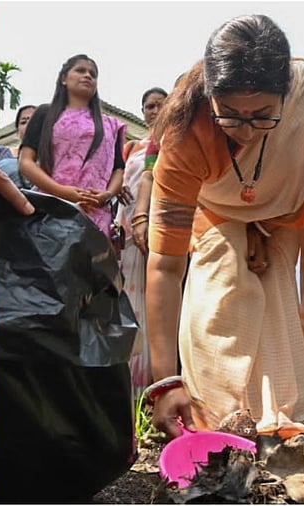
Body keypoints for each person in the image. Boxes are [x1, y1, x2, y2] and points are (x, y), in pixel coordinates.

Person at [144, 14, 304, 440]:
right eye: (229, 115)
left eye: (263, 115)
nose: (246, 130)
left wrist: (267, 223)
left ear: (287, 97)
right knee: (223, 277)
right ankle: (216, 420)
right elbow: (164, 265)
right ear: (209, 96)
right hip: (213, 211)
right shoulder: (183, 132)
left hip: (287, 211)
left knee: (275, 291)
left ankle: (286, 421)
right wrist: (165, 382)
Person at [19, 54, 129, 237]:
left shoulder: (111, 126)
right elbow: (26, 162)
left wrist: (107, 195)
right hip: (50, 209)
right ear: (64, 78)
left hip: (96, 217)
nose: (87, 76)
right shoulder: (45, 114)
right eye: (80, 70)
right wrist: (62, 191)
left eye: (93, 74)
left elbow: (118, 169)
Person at [117, 86, 168, 403]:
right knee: (128, 304)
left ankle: (153, 383)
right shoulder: (133, 147)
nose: (154, 110)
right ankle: (127, 385)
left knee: (155, 306)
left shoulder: (171, 144)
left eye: (160, 105)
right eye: (149, 106)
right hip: (127, 234)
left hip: (159, 231)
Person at [0, 104, 36, 189]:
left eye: (34, 121)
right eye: (23, 122)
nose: (28, 126)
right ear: (17, 131)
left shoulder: (50, 162)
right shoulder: (0, 153)